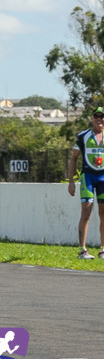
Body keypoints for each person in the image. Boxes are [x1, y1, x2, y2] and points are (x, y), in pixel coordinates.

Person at [67, 106, 104, 260]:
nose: (99, 120)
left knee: (103, 214)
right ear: (92, 119)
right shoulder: (83, 136)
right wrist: (71, 181)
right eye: (97, 117)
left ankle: (103, 249)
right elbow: (73, 158)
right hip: (87, 177)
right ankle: (82, 250)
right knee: (86, 213)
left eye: (102, 117)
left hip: (103, 178)